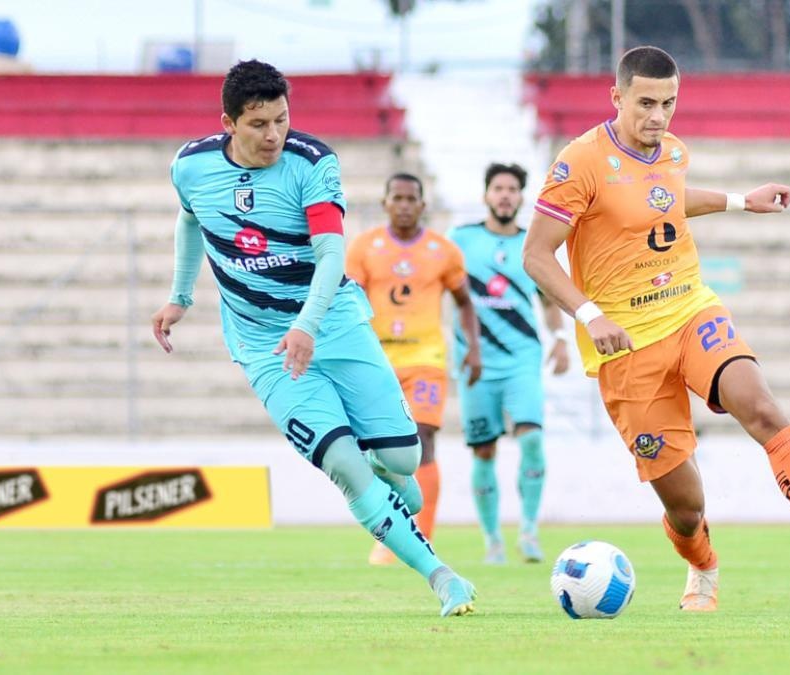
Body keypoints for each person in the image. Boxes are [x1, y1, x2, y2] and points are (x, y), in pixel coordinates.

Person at [522, 45, 790, 612]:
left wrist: (741, 201)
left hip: (691, 309)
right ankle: (703, 566)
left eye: (668, 103)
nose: (658, 116)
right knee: (686, 507)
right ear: (616, 97)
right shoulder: (580, 162)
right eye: (645, 103)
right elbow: (536, 256)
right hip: (626, 345)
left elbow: (664, 200)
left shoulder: (673, 150)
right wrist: (591, 315)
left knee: (761, 408)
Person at [150, 60, 475, 616]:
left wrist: (306, 324)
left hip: (336, 323)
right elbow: (189, 220)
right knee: (343, 465)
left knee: (405, 460)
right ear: (229, 123)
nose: (273, 134)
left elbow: (330, 254)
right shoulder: (191, 166)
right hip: (263, 346)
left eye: (281, 119)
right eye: (258, 124)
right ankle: (443, 579)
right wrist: (181, 295)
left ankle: (381, 466)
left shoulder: (312, 162)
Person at [345, 173, 482, 565]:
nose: (404, 205)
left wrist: (473, 348)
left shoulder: (444, 251)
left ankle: (423, 536)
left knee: (422, 440)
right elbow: (349, 301)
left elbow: (465, 302)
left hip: (426, 361)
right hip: (378, 362)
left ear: (423, 205)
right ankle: (391, 532)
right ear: (385, 203)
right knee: (380, 451)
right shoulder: (364, 247)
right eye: (397, 198)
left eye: (411, 199)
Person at [448, 162, 571, 565]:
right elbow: (441, 286)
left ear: (521, 197)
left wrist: (559, 339)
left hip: (522, 358)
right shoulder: (460, 239)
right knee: (484, 451)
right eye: (498, 188)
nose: (505, 195)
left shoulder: (531, 245)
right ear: (486, 195)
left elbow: (548, 301)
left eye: (512, 189)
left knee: (531, 438)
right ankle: (492, 541)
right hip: (475, 361)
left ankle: (529, 531)